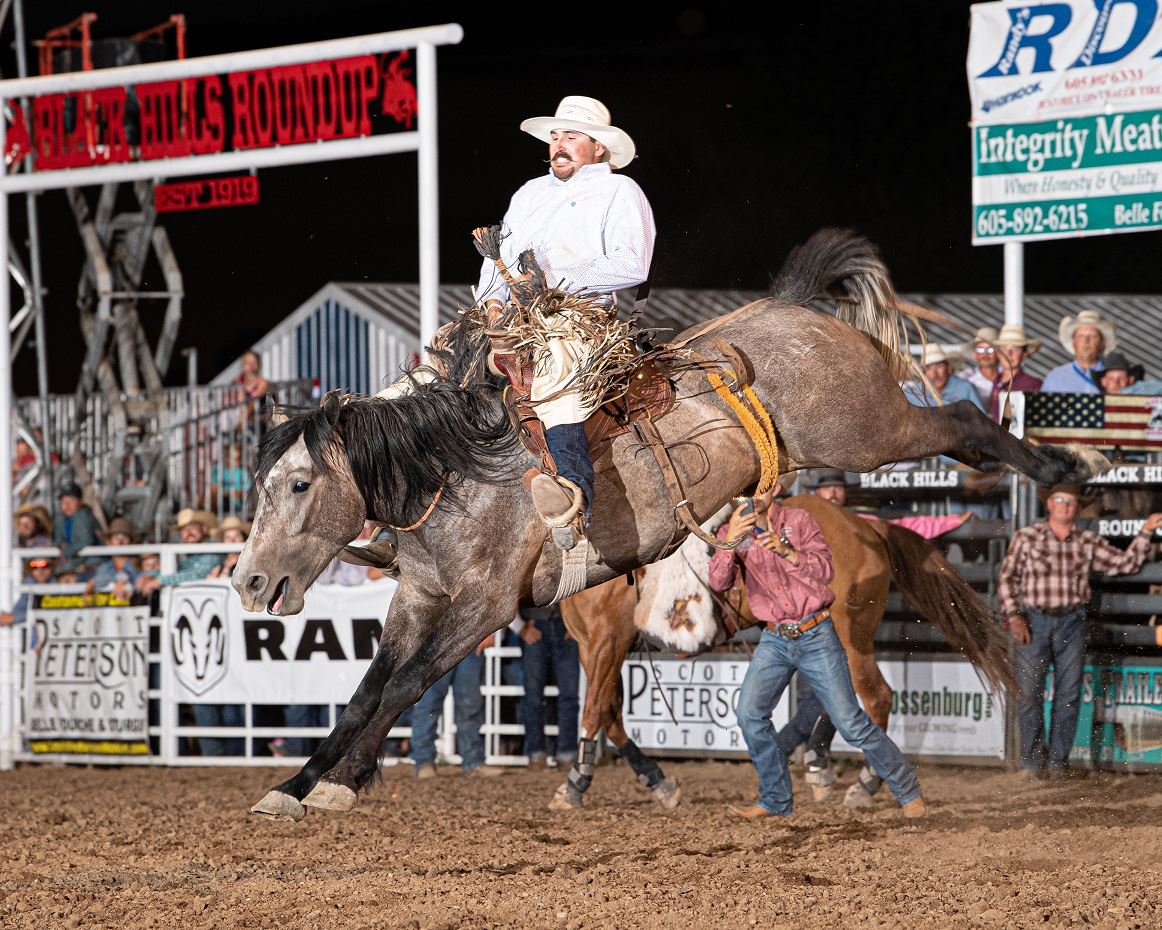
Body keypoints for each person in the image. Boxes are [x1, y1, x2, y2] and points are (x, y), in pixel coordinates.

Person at [475, 95, 656, 524]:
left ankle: (573, 491)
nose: (559, 143)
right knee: (444, 365)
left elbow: (633, 263)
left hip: (576, 316)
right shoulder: (528, 193)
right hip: (512, 318)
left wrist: (552, 279)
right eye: (555, 135)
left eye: (572, 136)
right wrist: (492, 302)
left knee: (557, 372)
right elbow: (497, 257)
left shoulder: (618, 190)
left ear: (598, 148)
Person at [708, 481, 926, 819]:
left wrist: (789, 553)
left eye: (762, 488)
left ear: (776, 488)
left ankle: (907, 790)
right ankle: (775, 800)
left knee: (851, 722)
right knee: (749, 715)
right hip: (775, 637)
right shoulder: (734, 530)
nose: (755, 497)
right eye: (748, 490)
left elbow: (825, 569)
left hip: (815, 631)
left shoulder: (800, 521)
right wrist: (728, 543)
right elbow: (719, 583)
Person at [999, 483, 1162, 779]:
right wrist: (1013, 614)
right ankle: (1032, 763)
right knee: (1028, 695)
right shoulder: (1027, 537)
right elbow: (1007, 577)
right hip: (1034, 620)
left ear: (1076, 507)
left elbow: (1124, 563)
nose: (1064, 505)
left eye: (1070, 501)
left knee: (1069, 695)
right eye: (1059, 499)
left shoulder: (1087, 541)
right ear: (1049, 504)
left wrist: (1146, 532)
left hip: (1072, 621)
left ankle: (1057, 763)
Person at [410, 636, 505, 778]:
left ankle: (472, 761)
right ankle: (424, 761)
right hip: (439, 642)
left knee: (469, 704)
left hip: (468, 640)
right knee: (430, 704)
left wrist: (487, 631)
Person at [517, 604, 580, 768]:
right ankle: (539, 752)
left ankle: (561, 752)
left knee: (567, 694)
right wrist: (521, 629)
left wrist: (577, 623)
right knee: (534, 696)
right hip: (538, 624)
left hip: (562, 623)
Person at [137, 509, 222, 595]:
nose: (188, 532)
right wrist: (149, 575)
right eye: (184, 529)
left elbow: (197, 575)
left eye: (193, 527)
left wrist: (159, 581)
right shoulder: (190, 554)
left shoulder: (211, 549)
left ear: (204, 529)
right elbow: (179, 572)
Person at [1041, 309, 1115, 394]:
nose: (1086, 341)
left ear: (1102, 343)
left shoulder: (1116, 377)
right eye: (1080, 336)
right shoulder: (1055, 377)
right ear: (1073, 341)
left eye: (1093, 336)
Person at [902, 345, 985, 412]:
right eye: (928, 368)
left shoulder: (965, 388)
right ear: (923, 372)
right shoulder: (914, 392)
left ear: (948, 368)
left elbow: (982, 420)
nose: (934, 374)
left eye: (939, 366)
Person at [987, 323, 1043, 421]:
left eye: (1015, 348)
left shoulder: (1034, 385)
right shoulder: (996, 381)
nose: (1009, 353)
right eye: (1004, 348)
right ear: (998, 353)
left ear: (1024, 353)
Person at [0, 557, 56, 646]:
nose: (40, 570)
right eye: (34, 566)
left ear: (52, 568)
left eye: (45, 566)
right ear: (30, 570)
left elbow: (53, 612)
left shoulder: (59, 585)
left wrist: (15, 617)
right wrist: (12, 617)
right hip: (41, 641)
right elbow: (19, 610)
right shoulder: (29, 585)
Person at [51, 482, 102, 577]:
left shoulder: (83, 515)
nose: (66, 505)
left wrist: (65, 551)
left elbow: (85, 541)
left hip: (91, 565)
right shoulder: (61, 519)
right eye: (63, 501)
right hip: (74, 564)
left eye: (71, 500)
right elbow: (58, 541)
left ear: (80, 501)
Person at [86, 516, 139, 599]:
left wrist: (118, 581)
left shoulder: (137, 564)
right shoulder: (104, 567)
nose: (120, 541)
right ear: (109, 542)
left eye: (124, 537)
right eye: (116, 537)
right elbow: (98, 582)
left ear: (130, 541)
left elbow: (139, 580)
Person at [961, 326, 999, 405]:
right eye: (980, 349)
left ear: (999, 352)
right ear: (974, 354)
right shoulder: (966, 380)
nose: (985, 354)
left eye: (990, 349)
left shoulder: (1009, 377)